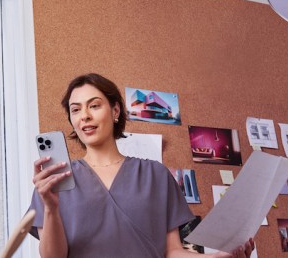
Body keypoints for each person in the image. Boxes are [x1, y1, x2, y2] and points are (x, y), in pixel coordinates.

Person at [30, 73, 255, 258]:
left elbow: (172, 252)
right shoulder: (53, 182)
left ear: (115, 111)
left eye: (94, 106)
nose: (85, 116)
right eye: (76, 110)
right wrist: (50, 208)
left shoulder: (155, 174)